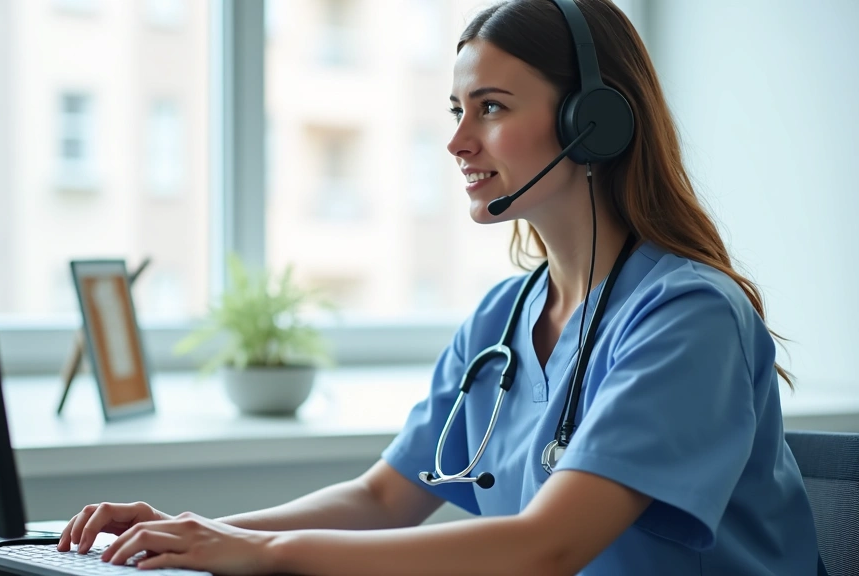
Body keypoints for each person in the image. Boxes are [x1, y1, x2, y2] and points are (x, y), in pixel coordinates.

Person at [56, 0, 822, 574]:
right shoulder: (503, 316)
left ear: (595, 125)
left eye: (490, 108)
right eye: (457, 110)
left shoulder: (686, 318)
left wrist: (260, 550)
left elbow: (545, 547)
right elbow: (385, 500)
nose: (456, 141)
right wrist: (190, 532)